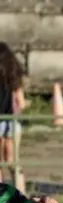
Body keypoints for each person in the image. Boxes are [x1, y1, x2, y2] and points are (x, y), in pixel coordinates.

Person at [0, 42, 27, 189]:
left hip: (5, 120)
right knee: (12, 161)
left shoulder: (11, 78)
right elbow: (21, 103)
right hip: (13, 121)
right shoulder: (14, 78)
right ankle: (21, 196)